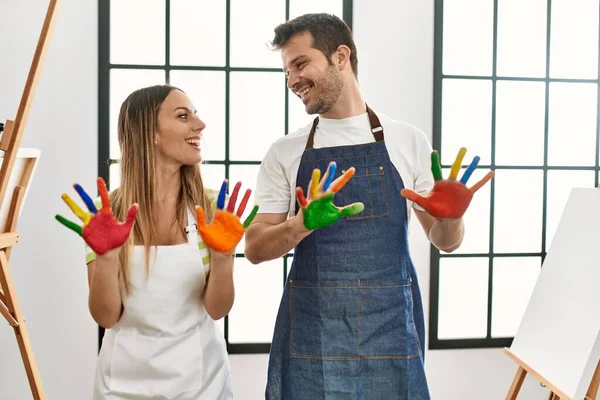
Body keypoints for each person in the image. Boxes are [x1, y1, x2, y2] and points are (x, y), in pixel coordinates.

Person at [244, 13, 493, 400]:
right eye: (286, 72)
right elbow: (256, 249)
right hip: (314, 330)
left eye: (300, 64)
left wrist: (453, 218)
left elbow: (446, 242)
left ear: (340, 56)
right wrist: (301, 224)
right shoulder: (285, 152)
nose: (292, 81)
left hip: (390, 329)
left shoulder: (406, 140)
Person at [55, 85, 257, 400]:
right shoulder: (105, 215)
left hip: (203, 381)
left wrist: (222, 259)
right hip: (122, 385)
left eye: (196, 114)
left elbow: (217, 309)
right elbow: (106, 316)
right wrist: (107, 259)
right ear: (150, 133)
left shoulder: (214, 208)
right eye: (183, 116)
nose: (200, 125)